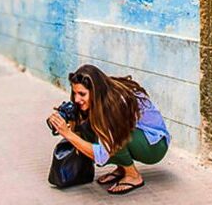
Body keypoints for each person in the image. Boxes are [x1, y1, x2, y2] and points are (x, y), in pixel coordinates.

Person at [47, 64, 171, 195]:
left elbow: (101, 154)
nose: (77, 99)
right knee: (91, 128)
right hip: (138, 135)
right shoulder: (103, 95)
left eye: (82, 94)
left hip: (154, 145)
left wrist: (68, 135)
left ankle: (133, 175)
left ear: (95, 91)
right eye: (75, 93)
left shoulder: (114, 105)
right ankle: (122, 169)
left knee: (112, 133)